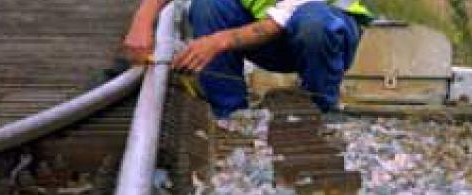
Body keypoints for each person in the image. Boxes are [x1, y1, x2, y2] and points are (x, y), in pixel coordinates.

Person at [124, 0, 373, 118]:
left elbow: (276, 24)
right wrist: (142, 21)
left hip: (324, 36)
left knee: (314, 23)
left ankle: (322, 108)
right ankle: (231, 115)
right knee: (208, 6)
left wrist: (216, 41)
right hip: (267, 40)